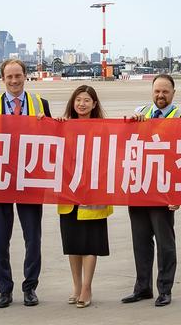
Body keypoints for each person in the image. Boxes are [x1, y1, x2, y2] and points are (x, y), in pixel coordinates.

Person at [0, 58, 51, 308]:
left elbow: (54, 140)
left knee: (33, 238)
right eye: (9, 77)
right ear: (2, 79)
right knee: (0, 239)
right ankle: (4, 290)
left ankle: (30, 287)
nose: (14, 81)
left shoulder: (41, 104)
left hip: (30, 179)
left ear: (25, 75)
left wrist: (51, 124)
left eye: (18, 75)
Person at [123, 74, 181, 307]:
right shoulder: (141, 112)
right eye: (157, 91)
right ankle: (142, 287)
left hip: (163, 189)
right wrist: (131, 122)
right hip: (139, 187)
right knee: (140, 241)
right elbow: (125, 142)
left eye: (165, 92)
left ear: (173, 94)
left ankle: (165, 288)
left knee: (165, 242)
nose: (160, 95)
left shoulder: (180, 117)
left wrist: (178, 194)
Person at [56, 85, 111, 308]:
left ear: (94, 104)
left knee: (90, 243)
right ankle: (76, 286)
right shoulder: (63, 126)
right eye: (78, 100)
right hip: (69, 193)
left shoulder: (104, 128)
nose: (82, 104)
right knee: (73, 243)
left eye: (87, 100)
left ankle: (87, 287)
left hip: (92, 192)